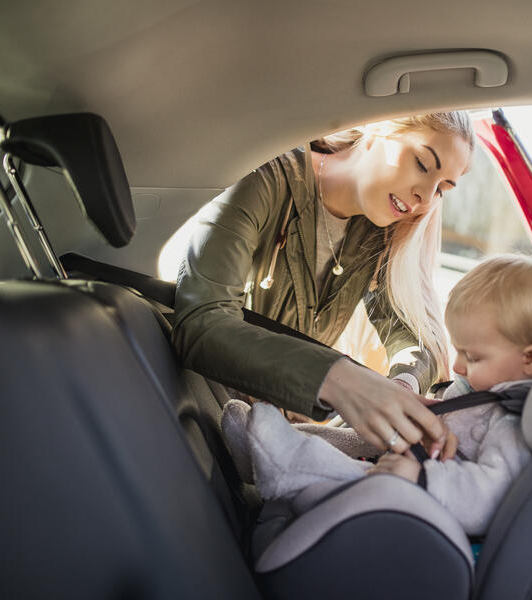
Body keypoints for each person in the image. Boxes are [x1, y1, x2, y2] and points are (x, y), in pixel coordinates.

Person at [172, 113, 474, 455]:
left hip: (281, 435)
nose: (425, 196)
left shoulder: (382, 228)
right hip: (210, 417)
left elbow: (412, 335)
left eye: (443, 189)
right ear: (378, 127)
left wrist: (402, 386)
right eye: (422, 163)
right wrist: (338, 379)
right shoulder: (266, 179)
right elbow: (201, 322)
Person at [221, 254, 532, 536]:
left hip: (415, 501)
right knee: (356, 437)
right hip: (414, 455)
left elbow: (487, 498)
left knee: (354, 472)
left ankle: (284, 460)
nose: (458, 366)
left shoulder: (514, 423)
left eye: (473, 357)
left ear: (531, 359)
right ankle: (260, 446)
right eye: (458, 351)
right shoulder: (488, 388)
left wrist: (419, 478)